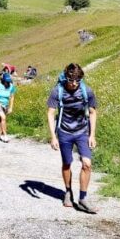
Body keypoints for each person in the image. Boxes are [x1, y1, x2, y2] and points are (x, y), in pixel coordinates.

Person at [47, 63, 98, 213]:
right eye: (71, 80)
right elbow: (50, 113)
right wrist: (53, 136)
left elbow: (93, 112)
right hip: (64, 132)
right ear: (66, 78)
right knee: (67, 164)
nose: (74, 84)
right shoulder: (58, 91)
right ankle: (68, 191)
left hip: (82, 131)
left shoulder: (86, 90)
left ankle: (83, 199)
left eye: (77, 80)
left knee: (87, 164)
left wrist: (92, 134)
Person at [0, 72, 16, 142]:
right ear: (3, 80)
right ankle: (5, 136)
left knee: (1, 119)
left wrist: (11, 107)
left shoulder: (11, 86)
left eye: (8, 81)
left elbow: (12, 97)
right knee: (3, 117)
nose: (7, 83)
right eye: (6, 81)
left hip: (5, 104)